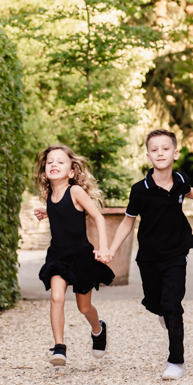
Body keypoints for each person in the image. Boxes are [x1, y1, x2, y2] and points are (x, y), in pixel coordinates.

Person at [108, 129, 193, 380]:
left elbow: (190, 190)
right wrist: (111, 250)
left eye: (165, 148)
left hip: (176, 251)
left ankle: (176, 361)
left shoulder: (180, 179)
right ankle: (163, 312)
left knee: (173, 305)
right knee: (156, 303)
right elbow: (127, 223)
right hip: (149, 257)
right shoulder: (140, 190)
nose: (160, 153)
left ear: (175, 153)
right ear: (148, 156)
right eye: (155, 149)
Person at [32, 145, 115, 366]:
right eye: (50, 162)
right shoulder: (49, 195)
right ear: (44, 171)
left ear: (71, 172)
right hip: (58, 255)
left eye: (60, 161)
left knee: (84, 307)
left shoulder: (75, 191)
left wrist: (104, 247)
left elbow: (97, 217)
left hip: (80, 256)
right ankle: (59, 348)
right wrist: (47, 211)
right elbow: (63, 212)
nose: (54, 165)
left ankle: (98, 329)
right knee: (56, 297)